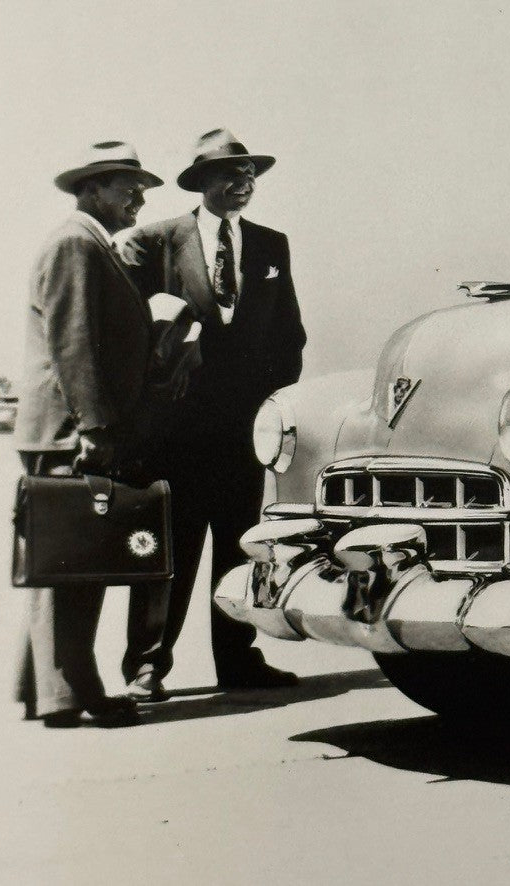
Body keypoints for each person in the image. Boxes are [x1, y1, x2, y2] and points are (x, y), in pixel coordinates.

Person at [120, 128, 306, 698]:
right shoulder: (154, 241)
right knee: (166, 551)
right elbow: (131, 329)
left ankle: (237, 660)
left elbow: (290, 337)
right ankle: (148, 665)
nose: (242, 183)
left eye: (249, 173)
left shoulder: (272, 244)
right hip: (175, 434)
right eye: (230, 173)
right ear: (201, 182)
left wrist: (265, 405)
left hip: (241, 433)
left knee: (237, 548)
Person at [14, 141, 164, 727]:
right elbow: (73, 343)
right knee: (69, 568)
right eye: (127, 184)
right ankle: (71, 696)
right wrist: (96, 427)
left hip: (62, 427)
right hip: (70, 431)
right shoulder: (77, 244)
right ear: (92, 188)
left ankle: (45, 691)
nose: (140, 195)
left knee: (56, 563)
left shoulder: (86, 244)